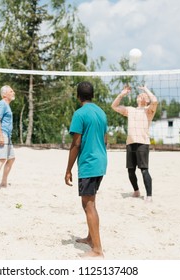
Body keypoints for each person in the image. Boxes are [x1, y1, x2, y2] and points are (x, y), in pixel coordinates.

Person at [64, 81, 108, 258]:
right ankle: (91, 238)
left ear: (77, 96)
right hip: (101, 162)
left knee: (88, 205)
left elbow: (76, 143)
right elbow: (105, 139)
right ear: (93, 95)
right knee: (92, 202)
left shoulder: (79, 114)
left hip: (89, 163)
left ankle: (97, 250)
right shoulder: (101, 112)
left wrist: (68, 169)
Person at [111, 84, 158, 202]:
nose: (141, 96)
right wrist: (122, 94)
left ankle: (149, 195)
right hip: (130, 143)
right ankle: (136, 191)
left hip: (142, 142)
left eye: (144, 96)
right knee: (130, 170)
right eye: (140, 95)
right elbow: (114, 106)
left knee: (144, 170)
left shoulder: (149, 110)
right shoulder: (130, 110)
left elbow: (155, 100)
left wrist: (146, 89)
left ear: (147, 100)